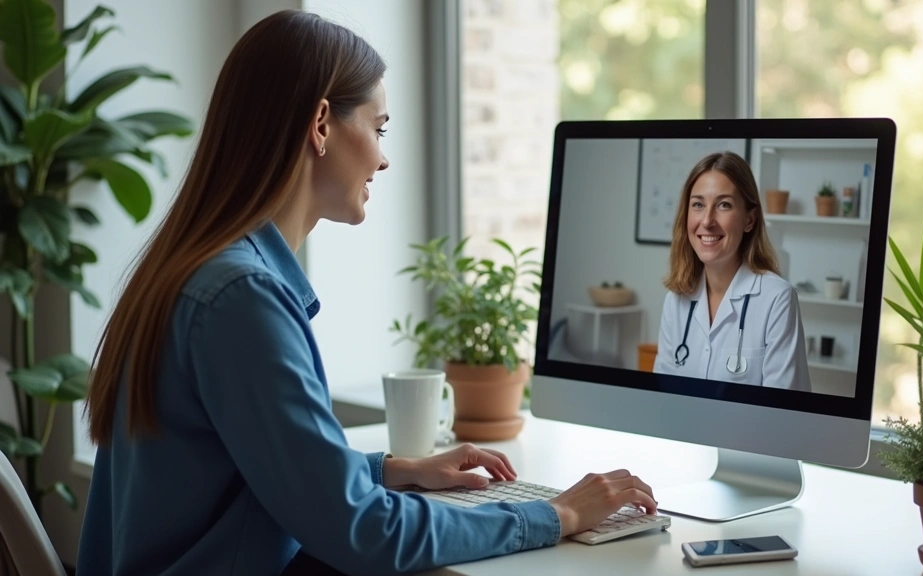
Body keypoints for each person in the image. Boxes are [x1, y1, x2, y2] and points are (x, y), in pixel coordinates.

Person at [75, 10, 658, 576]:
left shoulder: (196, 269)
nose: (383, 158)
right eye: (378, 129)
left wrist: (393, 469)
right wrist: (555, 514)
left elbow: (253, 468)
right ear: (321, 123)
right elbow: (363, 532)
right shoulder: (241, 297)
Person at [652, 151, 811, 392]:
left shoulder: (777, 299)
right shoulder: (676, 301)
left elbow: (783, 414)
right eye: (698, 204)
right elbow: (662, 396)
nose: (707, 221)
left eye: (723, 205)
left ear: (750, 220)